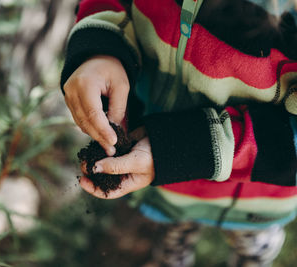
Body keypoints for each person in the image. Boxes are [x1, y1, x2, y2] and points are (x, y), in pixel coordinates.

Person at [61, 0, 297, 266]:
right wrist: (102, 48)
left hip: (259, 199)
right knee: (173, 240)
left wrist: (185, 150)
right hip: (169, 181)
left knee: (255, 249)